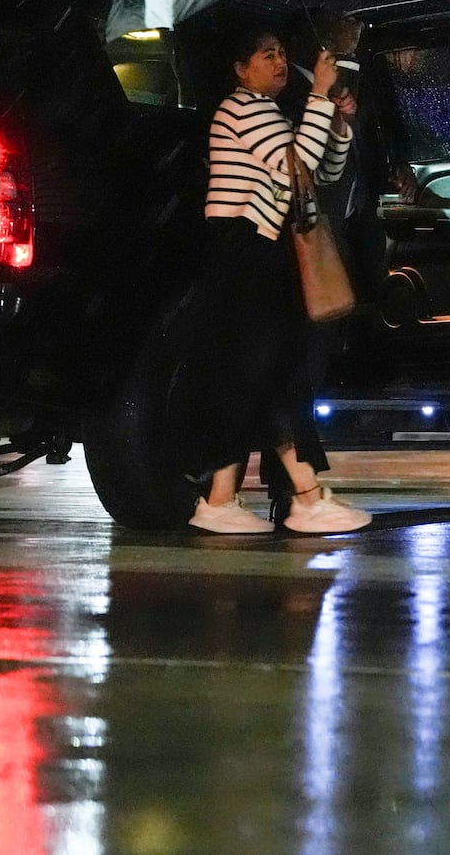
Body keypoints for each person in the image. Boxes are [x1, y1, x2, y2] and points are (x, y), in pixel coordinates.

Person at [180, 26, 371, 535]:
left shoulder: (268, 112)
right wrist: (318, 98)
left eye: (283, 54)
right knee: (269, 374)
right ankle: (302, 497)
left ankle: (228, 499)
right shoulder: (242, 108)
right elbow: (297, 168)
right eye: (268, 56)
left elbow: (323, 173)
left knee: (262, 378)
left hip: (257, 255)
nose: (281, 62)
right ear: (242, 70)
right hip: (243, 254)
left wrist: (335, 121)